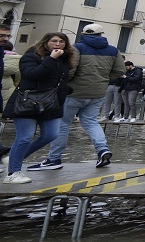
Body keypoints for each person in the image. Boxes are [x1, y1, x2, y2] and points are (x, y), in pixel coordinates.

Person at [31, 22, 124, 171]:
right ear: (101, 34)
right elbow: (120, 70)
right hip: (98, 92)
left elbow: (72, 69)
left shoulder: (77, 47)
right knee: (91, 122)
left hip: (74, 92)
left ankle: (54, 158)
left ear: (83, 34)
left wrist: (64, 82)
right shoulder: (113, 50)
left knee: (63, 124)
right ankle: (102, 149)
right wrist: (104, 79)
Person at [2, 32, 75, 184]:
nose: (57, 44)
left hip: (51, 104)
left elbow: (58, 80)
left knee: (51, 134)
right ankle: (13, 173)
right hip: (28, 103)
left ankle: (13, 158)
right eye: (54, 41)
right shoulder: (31, 56)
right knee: (24, 137)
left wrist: (66, 90)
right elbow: (31, 75)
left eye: (61, 41)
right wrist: (50, 59)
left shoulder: (64, 60)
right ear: (45, 42)